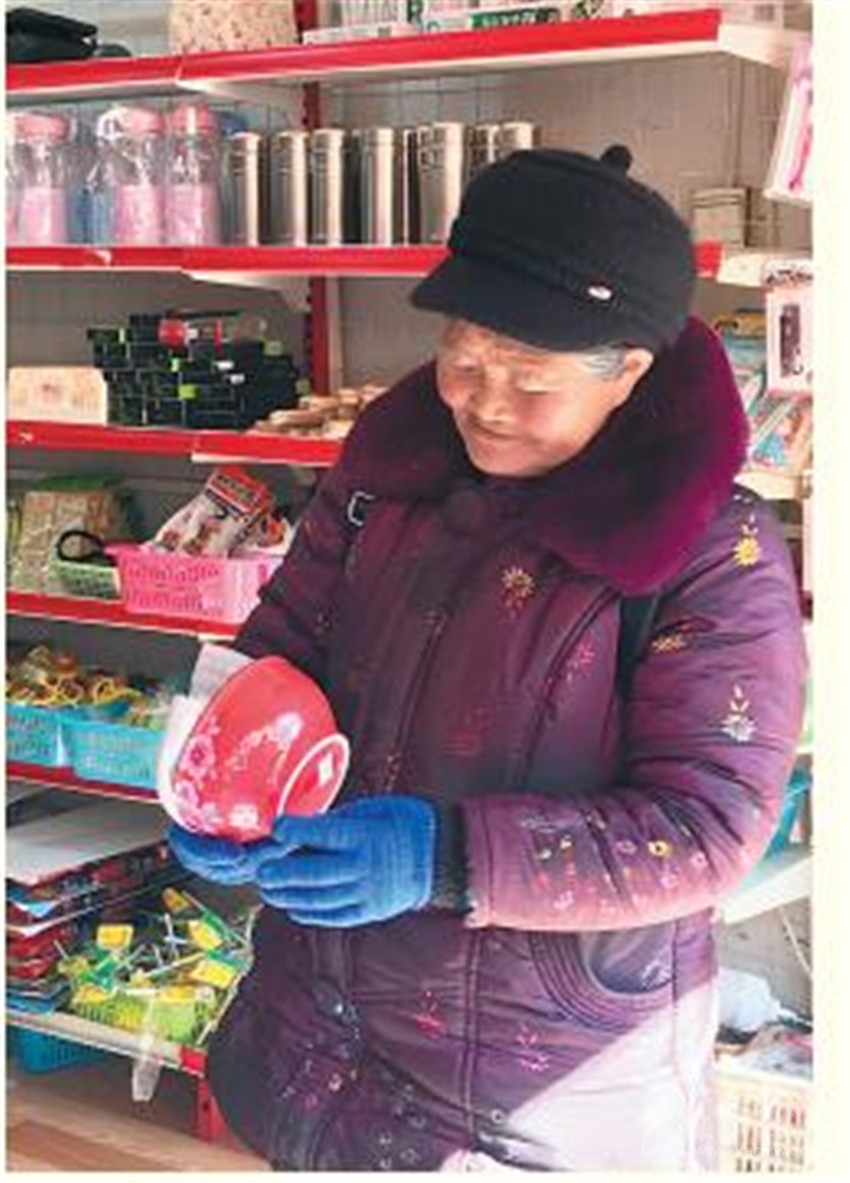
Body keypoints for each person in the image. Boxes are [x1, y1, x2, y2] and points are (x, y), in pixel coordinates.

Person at [168, 145, 806, 1172]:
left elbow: (706, 827)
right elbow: (278, 650)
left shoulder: (711, 551)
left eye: (531, 378)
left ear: (629, 373)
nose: (486, 402)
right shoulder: (383, 481)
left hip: (533, 1082)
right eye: (464, 360)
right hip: (314, 1037)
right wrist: (218, 785)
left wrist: (446, 856)